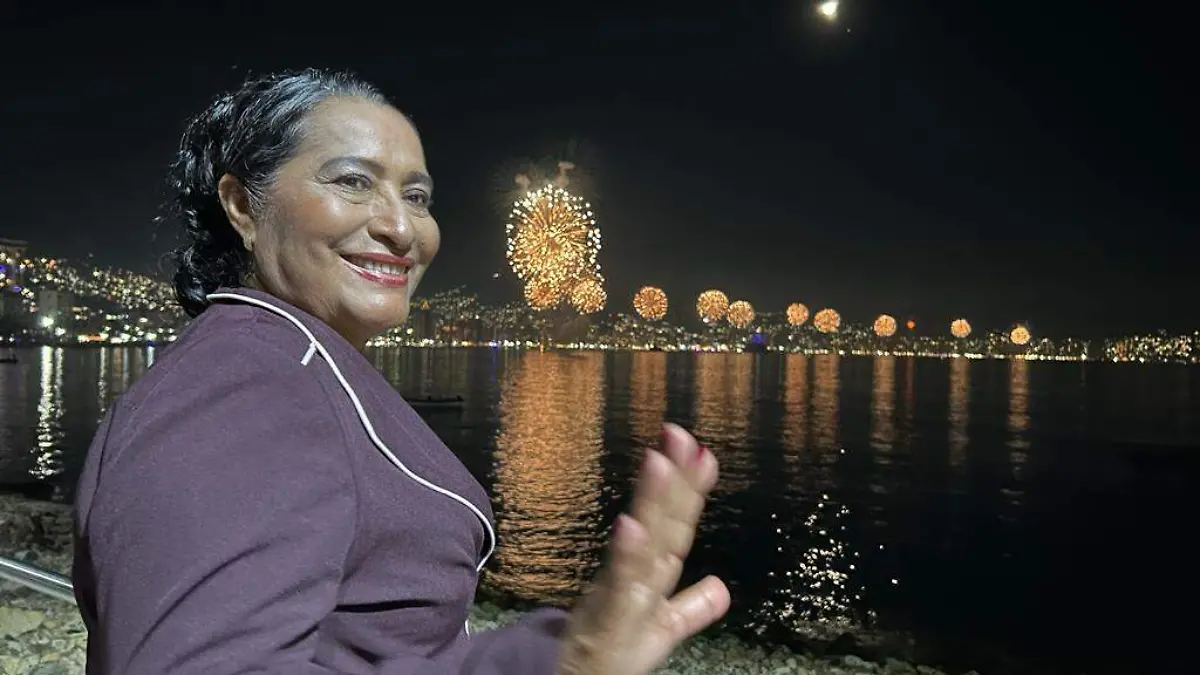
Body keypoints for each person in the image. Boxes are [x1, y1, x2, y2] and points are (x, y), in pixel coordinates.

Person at [71, 69, 730, 675]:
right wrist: (565, 663)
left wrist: (547, 656)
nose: (401, 227)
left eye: (416, 196)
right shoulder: (245, 382)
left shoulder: (293, 365)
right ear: (242, 205)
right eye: (352, 182)